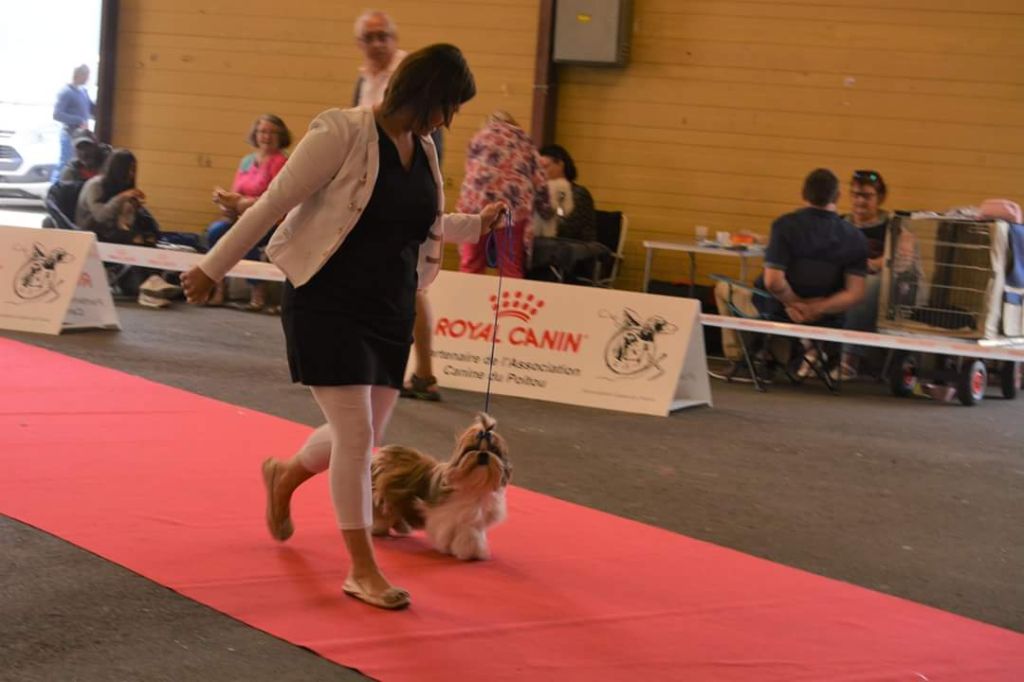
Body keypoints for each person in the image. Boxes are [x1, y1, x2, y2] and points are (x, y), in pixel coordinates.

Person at [181, 44, 506, 610]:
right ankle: (362, 570)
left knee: (364, 435)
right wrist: (213, 267)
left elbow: (424, 223)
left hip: (390, 307)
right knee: (357, 438)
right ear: (424, 93)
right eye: (448, 105)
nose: (449, 119)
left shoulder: (424, 149)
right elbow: (271, 205)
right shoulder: (341, 132)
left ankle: (284, 475)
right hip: (326, 299)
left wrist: (476, 224)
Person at [349, 9, 444, 401]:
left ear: (395, 37)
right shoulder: (363, 79)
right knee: (390, 279)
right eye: (368, 38)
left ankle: (422, 371)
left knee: (410, 280)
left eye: (382, 36)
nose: (376, 44)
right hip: (369, 188)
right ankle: (407, 370)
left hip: (402, 185)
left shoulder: (410, 73)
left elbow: (428, 132)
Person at [712, 169, 868, 380]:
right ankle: (776, 354)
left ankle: (742, 358)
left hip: (779, 310)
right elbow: (855, 293)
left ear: (804, 193)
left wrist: (794, 304)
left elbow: (774, 282)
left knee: (723, 288)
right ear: (838, 196)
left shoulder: (785, 226)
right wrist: (816, 308)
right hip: (829, 316)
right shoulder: (856, 237)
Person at [75, 148, 186, 308]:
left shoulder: (119, 187)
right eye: (129, 169)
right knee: (136, 239)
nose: (132, 174)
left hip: (113, 230)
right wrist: (122, 198)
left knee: (148, 237)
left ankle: (152, 281)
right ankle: (149, 284)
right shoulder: (96, 185)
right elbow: (101, 215)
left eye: (134, 169)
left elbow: (125, 221)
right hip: (93, 231)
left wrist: (134, 208)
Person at [204, 114, 291, 310]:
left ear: (281, 136)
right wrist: (224, 201)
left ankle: (257, 288)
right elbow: (236, 195)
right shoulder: (246, 161)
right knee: (215, 231)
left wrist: (242, 204)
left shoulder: (281, 162)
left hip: (272, 220)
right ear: (255, 134)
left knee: (248, 232)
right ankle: (218, 288)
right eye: (262, 131)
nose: (266, 136)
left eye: (271, 132)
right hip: (242, 216)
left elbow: (277, 198)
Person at [457, 111, 552, 279]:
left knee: (471, 262)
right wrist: (546, 210)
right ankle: (509, 301)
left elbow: (470, 174)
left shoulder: (478, 137)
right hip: (513, 206)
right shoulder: (523, 139)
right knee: (510, 264)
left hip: (477, 206)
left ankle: (467, 301)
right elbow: (540, 178)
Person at [832, 170, 890, 380]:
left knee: (864, 287)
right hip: (840, 275)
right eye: (855, 194)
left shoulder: (891, 226)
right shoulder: (838, 223)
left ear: (880, 198)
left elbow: (897, 257)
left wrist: (874, 263)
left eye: (866, 196)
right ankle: (812, 350)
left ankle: (850, 359)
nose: (859, 201)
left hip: (871, 277)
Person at [529, 144, 608, 283]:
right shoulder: (541, 193)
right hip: (548, 250)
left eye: (545, 167)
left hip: (576, 257)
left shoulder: (578, 194)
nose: (541, 172)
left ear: (560, 164)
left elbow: (565, 226)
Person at [51, 65, 95, 183]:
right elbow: (57, 114)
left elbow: (91, 110)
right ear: (78, 75)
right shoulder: (66, 92)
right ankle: (54, 191)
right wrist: (79, 120)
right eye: (86, 75)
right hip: (69, 135)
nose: (88, 78)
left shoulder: (83, 92)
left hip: (81, 137)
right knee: (64, 165)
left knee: (76, 166)